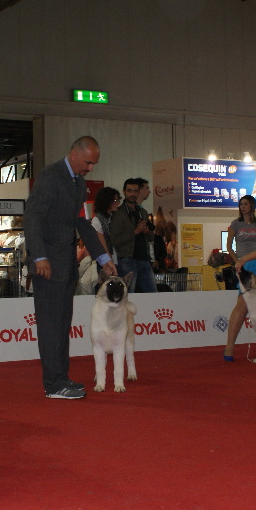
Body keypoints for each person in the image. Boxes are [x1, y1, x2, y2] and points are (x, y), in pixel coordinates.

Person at [24, 136, 118, 399]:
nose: (91, 168)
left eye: (94, 163)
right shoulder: (49, 176)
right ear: (74, 154)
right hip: (47, 266)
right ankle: (53, 385)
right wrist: (39, 257)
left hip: (66, 266)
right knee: (51, 326)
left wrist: (103, 257)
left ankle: (61, 378)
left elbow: (81, 224)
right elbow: (32, 217)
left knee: (61, 325)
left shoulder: (79, 183)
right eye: (88, 162)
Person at [222, 194, 256, 360]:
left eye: (246, 204)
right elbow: (228, 246)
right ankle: (229, 347)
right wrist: (237, 262)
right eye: (241, 204)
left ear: (252, 206)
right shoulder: (236, 223)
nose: (243, 207)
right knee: (242, 304)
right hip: (243, 265)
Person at [110, 178, 157, 293]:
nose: (132, 194)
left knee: (153, 294)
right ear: (124, 191)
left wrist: (147, 232)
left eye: (135, 191)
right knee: (127, 293)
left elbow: (151, 238)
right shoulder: (118, 213)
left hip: (144, 259)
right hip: (127, 259)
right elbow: (115, 240)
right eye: (129, 191)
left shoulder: (142, 212)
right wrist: (135, 231)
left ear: (139, 192)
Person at [90, 186, 121, 276]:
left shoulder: (112, 218)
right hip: (104, 262)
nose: (117, 203)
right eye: (115, 201)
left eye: (118, 200)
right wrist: (109, 260)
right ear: (107, 202)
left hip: (115, 258)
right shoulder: (97, 220)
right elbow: (102, 246)